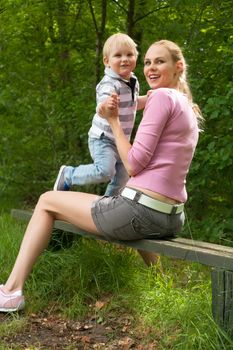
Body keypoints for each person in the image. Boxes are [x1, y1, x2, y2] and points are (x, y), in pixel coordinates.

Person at [0, 39, 202, 312]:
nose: (151, 68)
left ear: (178, 66)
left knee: (48, 200)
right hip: (171, 218)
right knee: (123, 195)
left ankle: (11, 291)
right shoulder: (184, 103)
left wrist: (114, 121)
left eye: (159, 61)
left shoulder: (162, 98)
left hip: (140, 212)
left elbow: (132, 164)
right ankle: (161, 284)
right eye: (148, 62)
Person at [53, 33, 148, 196]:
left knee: (123, 178)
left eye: (129, 54)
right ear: (107, 61)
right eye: (118, 55)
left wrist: (150, 99)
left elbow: (132, 105)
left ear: (136, 57)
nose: (124, 59)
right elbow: (101, 107)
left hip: (120, 140)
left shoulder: (133, 81)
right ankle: (69, 175)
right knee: (105, 171)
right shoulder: (108, 83)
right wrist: (107, 105)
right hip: (103, 138)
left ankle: (107, 206)